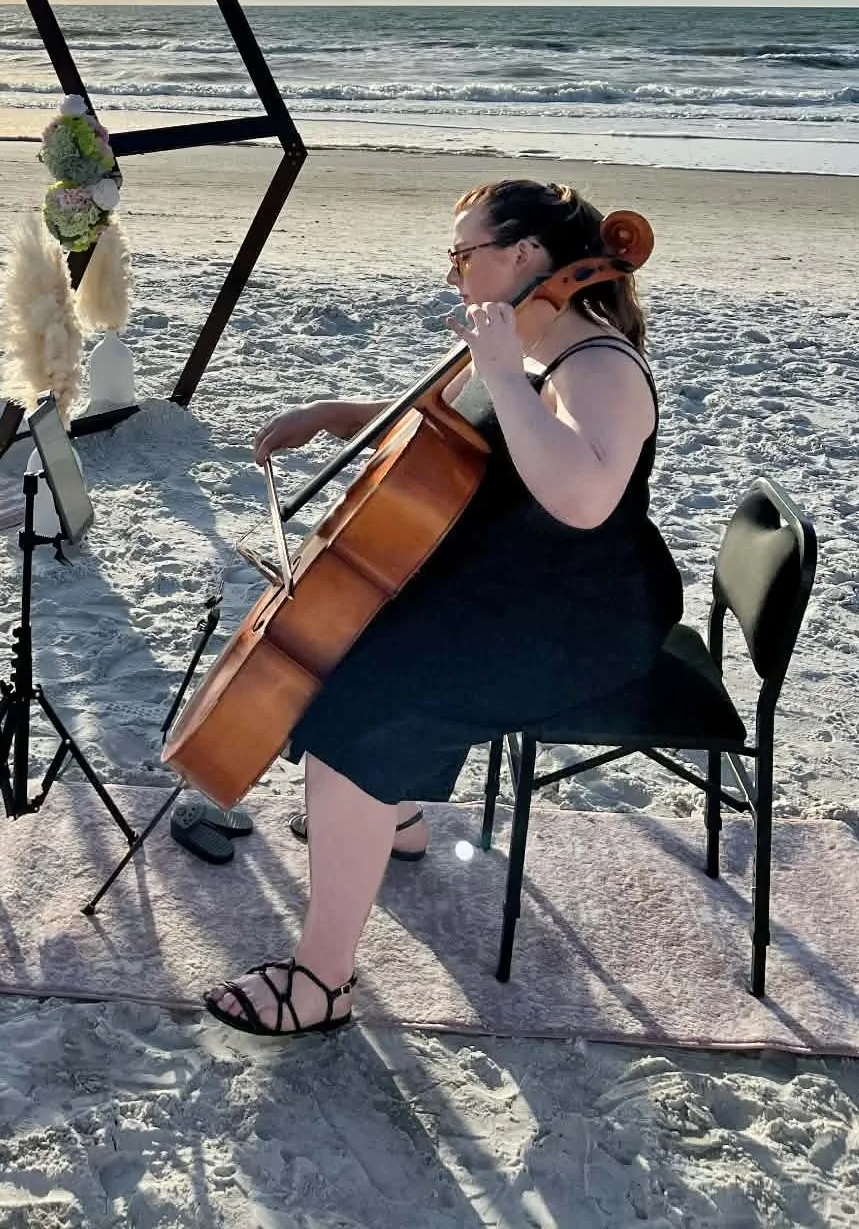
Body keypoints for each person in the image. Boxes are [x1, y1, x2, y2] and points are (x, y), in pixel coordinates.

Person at [205, 178, 683, 1037]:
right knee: (361, 641)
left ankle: (320, 983)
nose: (452, 273)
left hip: (583, 622)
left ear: (526, 256)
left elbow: (582, 498)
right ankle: (394, 816)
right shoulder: (525, 336)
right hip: (521, 586)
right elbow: (461, 435)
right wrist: (335, 414)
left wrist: (502, 374)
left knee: (353, 708)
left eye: (463, 255)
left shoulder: (598, 365)